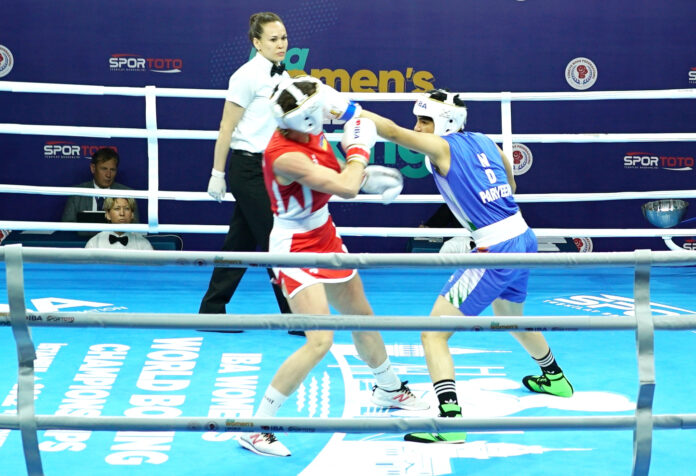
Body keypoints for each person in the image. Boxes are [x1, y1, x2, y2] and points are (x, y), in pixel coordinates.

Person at [324, 88, 574, 443]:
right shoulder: (486, 141)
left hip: (496, 248)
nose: (419, 127)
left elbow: (393, 132)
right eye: (418, 120)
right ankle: (554, 377)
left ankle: (451, 423)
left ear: (445, 122)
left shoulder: (443, 147)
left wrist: (351, 111)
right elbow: (511, 183)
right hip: (523, 237)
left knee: (433, 333)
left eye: (425, 120)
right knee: (510, 316)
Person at [237, 77, 428, 458]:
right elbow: (345, 186)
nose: (325, 115)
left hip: (323, 230)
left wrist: (362, 150)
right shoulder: (284, 155)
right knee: (320, 340)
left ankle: (389, 387)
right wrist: (358, 153)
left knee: (361, 316)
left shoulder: (308, 110)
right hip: (294, 246)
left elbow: (357, 128)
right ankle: (258, 428)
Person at [199, 12, 296, 333]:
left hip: (271, 168)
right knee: (276, 239)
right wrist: (217, 171)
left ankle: (211, 310)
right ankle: (296, 314)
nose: (281, 44)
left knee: (238, 242)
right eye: (273, 39)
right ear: (256, 42)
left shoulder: (284, 75)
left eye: (283, 38)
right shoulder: (245, 76)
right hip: (247, 168)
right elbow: (227, 126)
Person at [61, 147, 139, 222]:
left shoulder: (127, 194)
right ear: (93, 168)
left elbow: (135, 228)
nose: (108, 175)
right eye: (104, 169)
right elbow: (67, 228)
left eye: (112, 170)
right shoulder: (76, 194)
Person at [84, 197, 152, 250]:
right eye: (117, 209)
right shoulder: (94, 243)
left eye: (127, 209)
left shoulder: (143, 245)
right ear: (108, 214)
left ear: (132, 214)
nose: (122, 213)